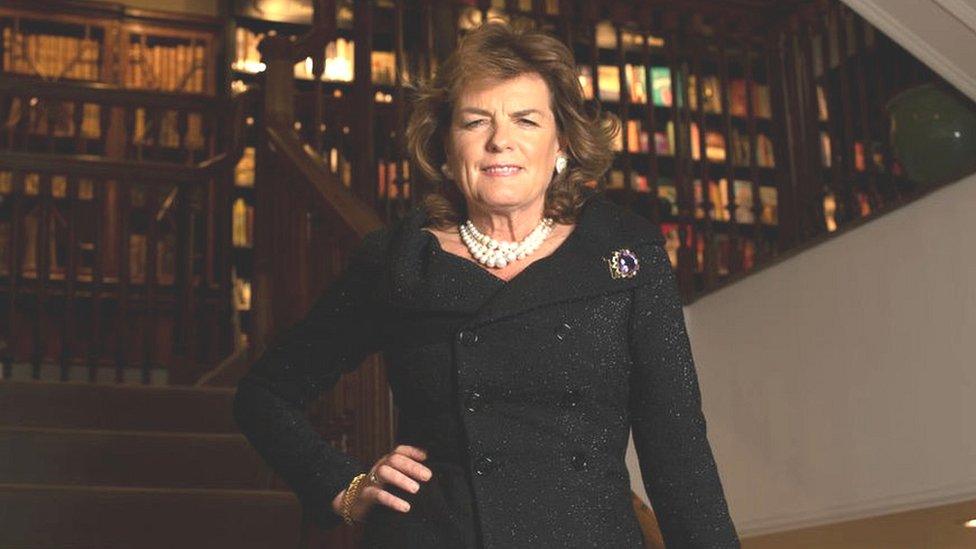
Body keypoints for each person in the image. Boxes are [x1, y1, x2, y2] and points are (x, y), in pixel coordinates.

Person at [233, 21, 740, 548]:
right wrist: (343, 485)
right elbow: (264, 395)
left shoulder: (624, 254)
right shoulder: (400, 261)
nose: (501, 141)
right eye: (476, 122)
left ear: (561, 142)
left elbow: (678, 453)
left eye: (526, 120)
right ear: (447, 150)